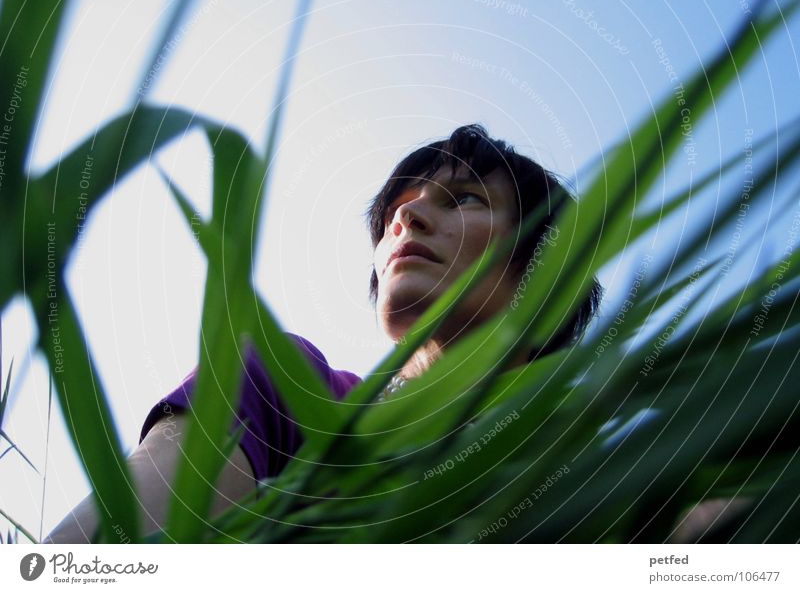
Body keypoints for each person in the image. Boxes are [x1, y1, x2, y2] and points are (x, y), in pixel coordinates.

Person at [44, 123, 602, 543]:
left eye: (466, 199)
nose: (408, 218)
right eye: (395, 213)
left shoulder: (599, 454)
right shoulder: (292, 385)